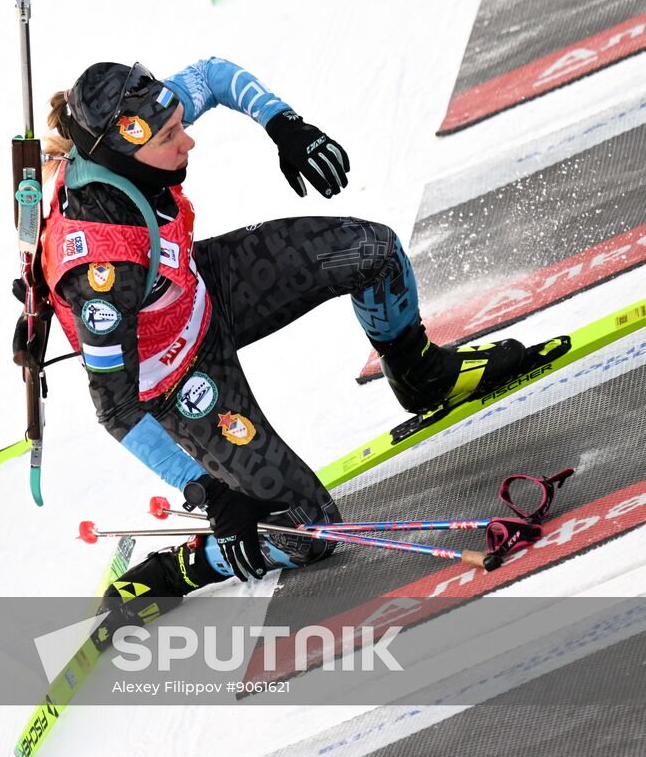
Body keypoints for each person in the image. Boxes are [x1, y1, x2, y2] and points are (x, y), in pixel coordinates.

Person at [31, 59, 549, 624]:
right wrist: (204, 490)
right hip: (178, 380)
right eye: (170, 138)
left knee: (373, 253)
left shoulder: (130, 124)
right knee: (306, 531)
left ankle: (424, 377)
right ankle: (181, 569)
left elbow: (213, 74)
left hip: (199, 289)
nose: (190, 140)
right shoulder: (99, 272)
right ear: (123, 153)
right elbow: (116, 407)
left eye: (178, 124)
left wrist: (284, 125)